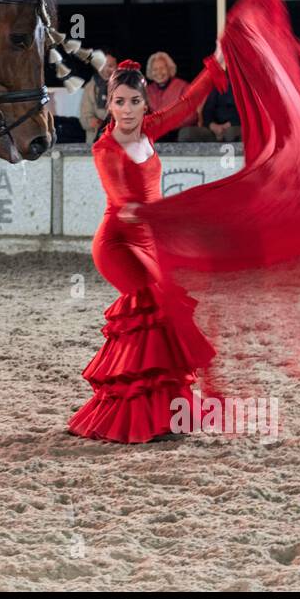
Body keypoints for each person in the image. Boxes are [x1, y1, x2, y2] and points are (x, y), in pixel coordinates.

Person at [68, 49, 228, 443]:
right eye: (119, 102)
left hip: (149, 241)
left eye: (135, 102)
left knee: (165, 314)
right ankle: (133, 414)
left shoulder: (149, 130)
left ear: (144, 103)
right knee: (149, 309)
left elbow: (188, 103)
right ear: (109, 104)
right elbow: (125, 205)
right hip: (118, 244)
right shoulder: (104, 148)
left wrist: (216, 63)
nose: (126, 109)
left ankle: (168, 410)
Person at [143, 51, 194, 141]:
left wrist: (169, 124)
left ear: (169, 69)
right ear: (150, 72)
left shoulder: (183, 86)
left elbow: (191, 116)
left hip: (177, 131)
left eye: (162, 68)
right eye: (155, 69)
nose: (159, 72)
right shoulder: (147, 91)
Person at [78, 52, 117, 142]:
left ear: (118, 66)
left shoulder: (126, 87)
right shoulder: (90, 87)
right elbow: (84, 119)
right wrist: (95, 123)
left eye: (110, 66)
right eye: (102, 65)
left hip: (121, 143)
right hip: (96, 142)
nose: (106, 70)